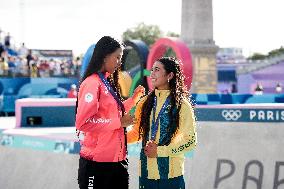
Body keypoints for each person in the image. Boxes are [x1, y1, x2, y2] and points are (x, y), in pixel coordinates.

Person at [75, 36, 145, 189]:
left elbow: (113, 113)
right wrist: (119, 122)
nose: (120, 62)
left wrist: (133, 100)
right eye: (117, 57)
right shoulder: (92, 83)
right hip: (96, 164)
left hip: (118, 162)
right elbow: (83, 123)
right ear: (105, 56)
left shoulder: (107, 82)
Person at [127, 57, 197, 189]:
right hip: (146, 175)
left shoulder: (182, 105)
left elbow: (190, 141)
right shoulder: (144, 102)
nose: (152, 73)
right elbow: (137, 133)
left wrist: (160, 151)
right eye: (152, 70)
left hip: (171, 176)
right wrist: (115, 137)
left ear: (170, 75)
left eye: (157, 70)